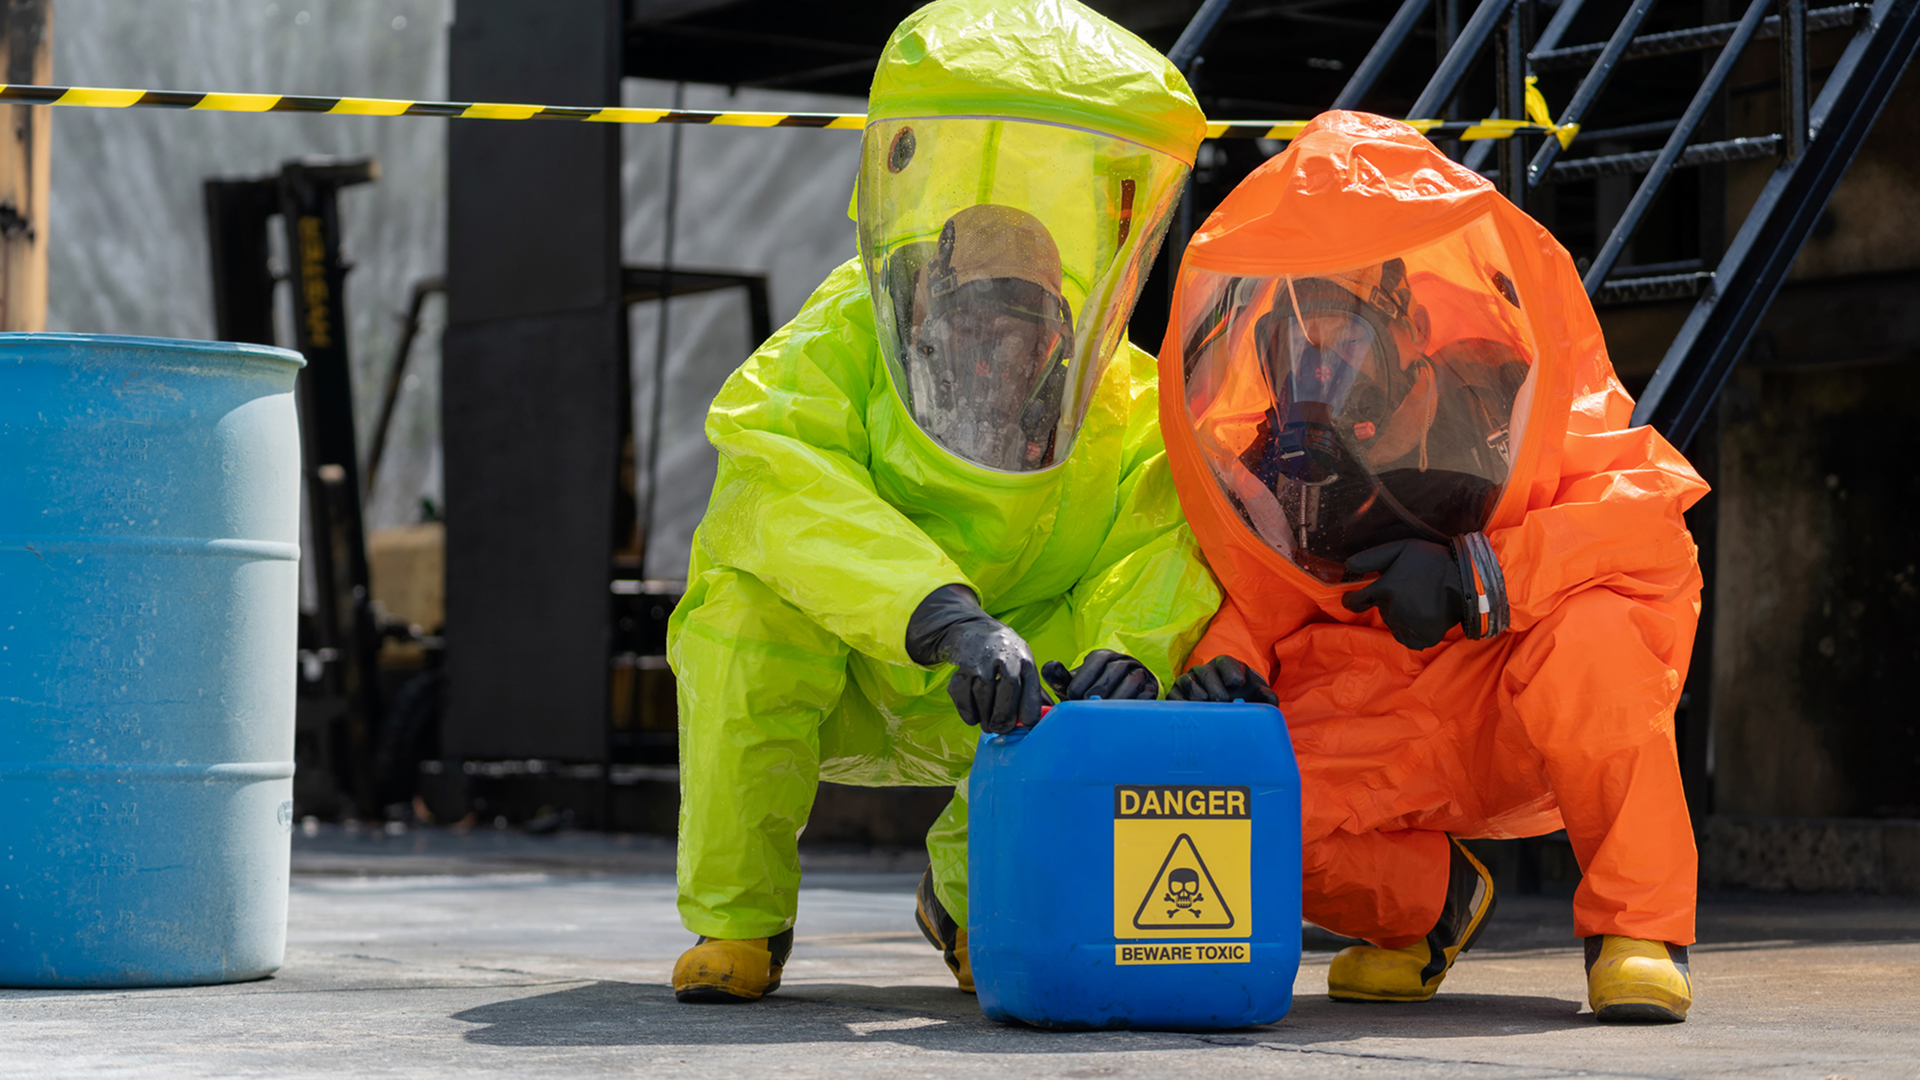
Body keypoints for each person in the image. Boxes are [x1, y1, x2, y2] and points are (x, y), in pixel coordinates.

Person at [665, 0, 1220, 1004]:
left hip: (1007, 692)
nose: (997, 342)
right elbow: (782, 489)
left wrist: (1129, 653)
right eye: (973, 313)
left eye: (1026, 318)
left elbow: (1161, 545)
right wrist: (947, 618)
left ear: (1064, 324)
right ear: (924, 300)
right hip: (854, 674)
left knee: (1124, 672)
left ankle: (972, 904)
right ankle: (740, 922)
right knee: (741, 618)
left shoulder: (1121, 399)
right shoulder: (838, 343)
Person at [1159, 111, 1709, 1023]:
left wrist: (1475, 577)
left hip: (1512, 695)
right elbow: (1257, 593)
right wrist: (1224, 672)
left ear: (1408, 324)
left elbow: (1642, 531)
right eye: (1294, 344)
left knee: (1598, 636)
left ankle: (1638, 931)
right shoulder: (1267, 470)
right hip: (1379, 706)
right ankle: (1432, 904)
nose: (1315, 370)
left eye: (1342, 337)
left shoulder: (1511, 399)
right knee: (1233, 795)